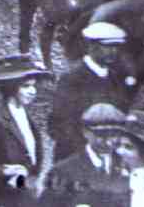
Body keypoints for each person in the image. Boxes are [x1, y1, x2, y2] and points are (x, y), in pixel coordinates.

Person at [0, 54, 52, 207]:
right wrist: (4, 172)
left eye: (34, 86)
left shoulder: (23, 114)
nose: (32, 91)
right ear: (11, 87)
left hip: (25, 195)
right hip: (2, 199)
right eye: (26, 86)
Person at [49, 22, 136, 162]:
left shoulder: (116, 78)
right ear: (91, 46)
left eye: (116, 47)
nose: (113, 51)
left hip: (110, 157)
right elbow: (59, 124)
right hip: (75, 158)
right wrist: (87, 153)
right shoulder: (72, 78)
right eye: (107, 46)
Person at [40, 103, 129, 207]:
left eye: (114, 135)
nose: (108, 142)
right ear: (85, 132)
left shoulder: (127, 167)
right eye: (102, 135)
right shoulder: (63, 171)